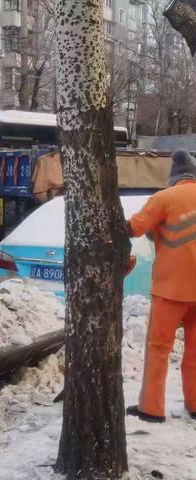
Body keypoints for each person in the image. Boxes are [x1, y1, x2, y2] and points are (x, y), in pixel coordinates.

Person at [126, 149, 196, 423]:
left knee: (158, 348)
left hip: (170, 290)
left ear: (174, 176)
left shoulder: (164, 198)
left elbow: (134, 227)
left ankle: (152, 408)